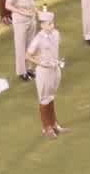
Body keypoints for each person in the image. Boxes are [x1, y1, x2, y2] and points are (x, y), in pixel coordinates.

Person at [27, 8, 65, 138]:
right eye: (49, 23)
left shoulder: (56, 34)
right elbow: (28, 55)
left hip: (55, 69)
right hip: (44, 72)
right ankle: (46, 126)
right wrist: (39, 62)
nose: (52, 25)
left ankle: (53, 123)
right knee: (44, 99)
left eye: (52, 23)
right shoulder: (38, 39)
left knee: (51, 96)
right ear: (42, 25)